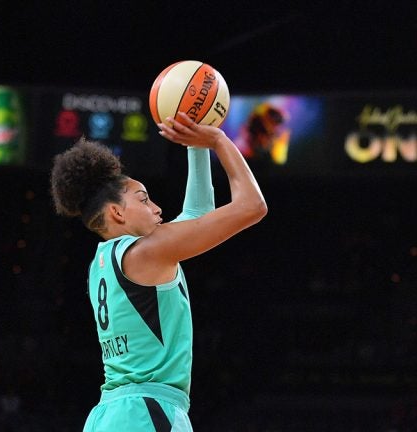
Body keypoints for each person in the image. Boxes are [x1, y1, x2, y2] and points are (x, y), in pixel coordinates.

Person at [50, 112, 267, 431]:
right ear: (117, 212)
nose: (157, 208)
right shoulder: (146, 251)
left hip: (111, 414)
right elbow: (252, 206)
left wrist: (196, 145)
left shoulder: (104, 261)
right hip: (144, 414)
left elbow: (197, 213)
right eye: (144, 199)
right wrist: (217, 139)